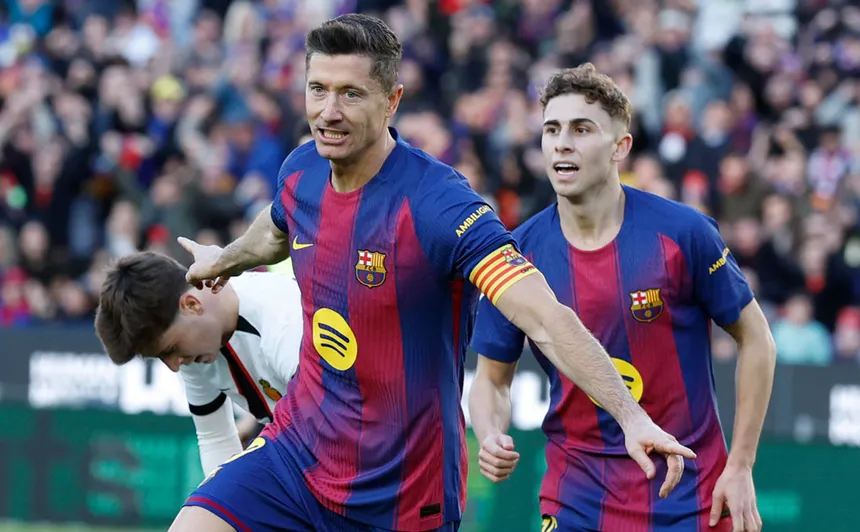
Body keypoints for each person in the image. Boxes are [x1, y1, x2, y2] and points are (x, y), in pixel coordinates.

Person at [170, 14, 695, 532]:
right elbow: (272, 231)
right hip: (297, 453)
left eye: (351, 94)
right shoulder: (302, 170)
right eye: (318, 90)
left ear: (392, 100)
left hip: (401, 494)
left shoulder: (439, 206)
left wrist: (630, 416)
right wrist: (225, 259)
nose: (328, 111)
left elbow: (544, 318)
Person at [468, 63, 777, 532]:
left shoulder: (683, 233)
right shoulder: (516, 256)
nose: (562, 143)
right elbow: (492, 380)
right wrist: (490, 431)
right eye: (551, 129)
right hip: (576, 503)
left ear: (621, 147)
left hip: (692, 501)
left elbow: (757, 339)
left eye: (581, 129)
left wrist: (741, 465)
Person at [93, 251, 302, 477]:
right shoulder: (195, 348)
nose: (174, 366)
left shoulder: (284, 322)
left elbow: (321, 430)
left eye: (170, 349)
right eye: (162, 358)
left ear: (191, 305)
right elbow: (215, 438)